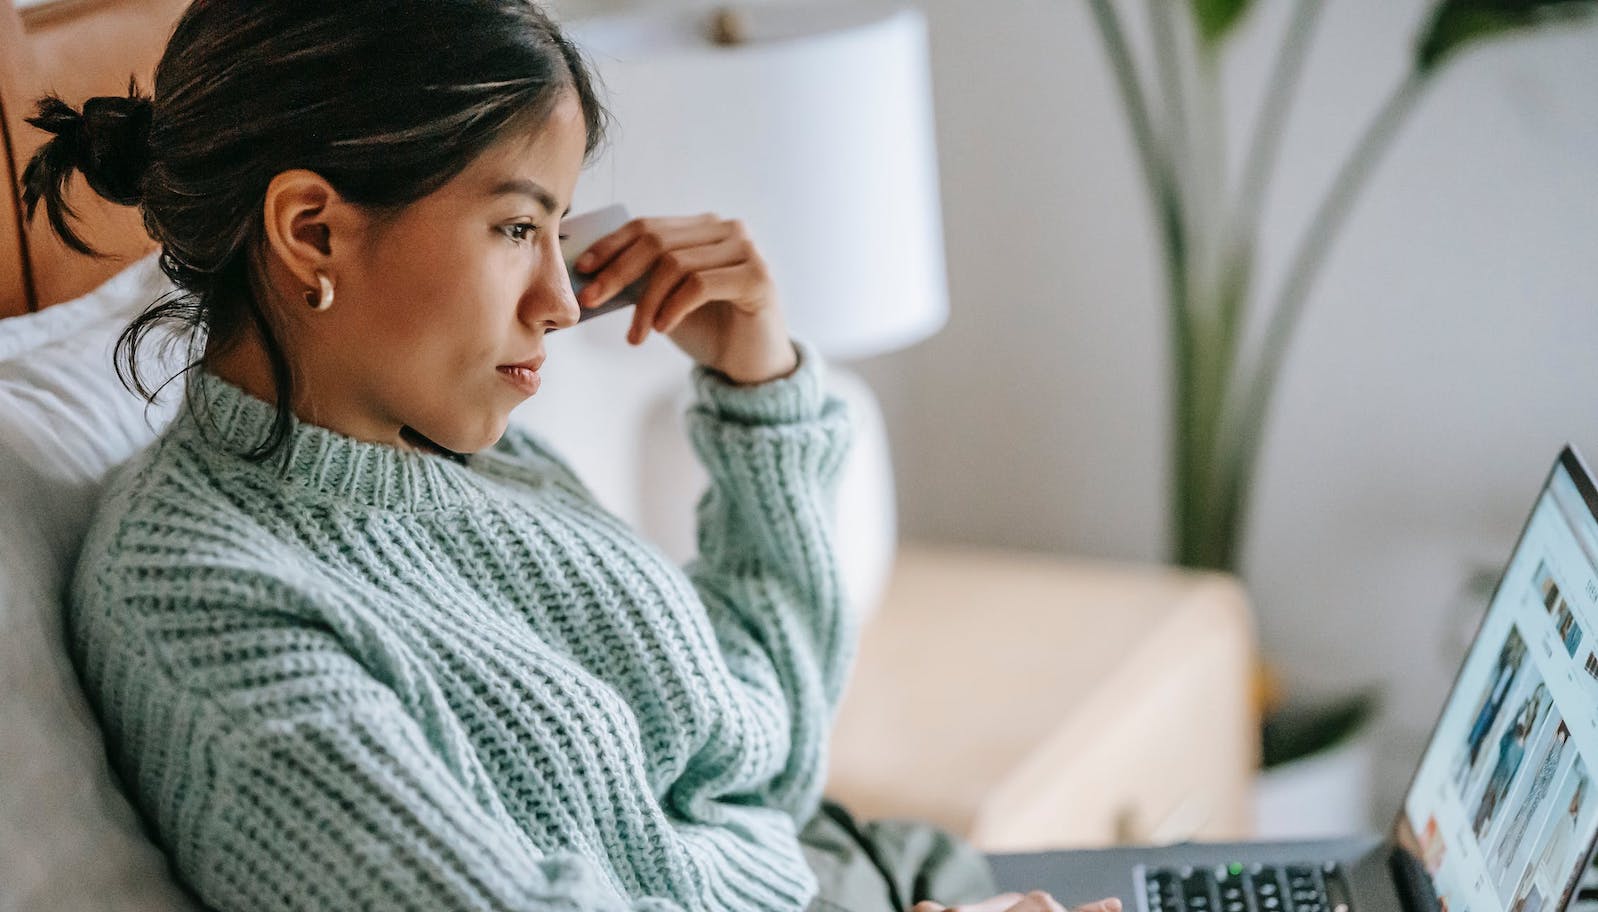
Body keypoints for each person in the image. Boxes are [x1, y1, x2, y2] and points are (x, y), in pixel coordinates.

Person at [20, 3, 1122, 912]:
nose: (557, 301)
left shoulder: (464, 452)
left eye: (559, 231)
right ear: (311, 230)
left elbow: (758, 762)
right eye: (513, 229)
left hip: (866, 874)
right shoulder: (201, 602)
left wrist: (760, 394)